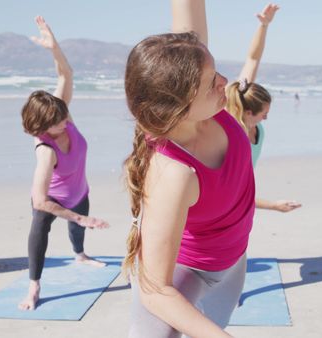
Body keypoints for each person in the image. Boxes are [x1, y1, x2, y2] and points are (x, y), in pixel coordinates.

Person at [122, 1, 254, 337]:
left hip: (233, 262)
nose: (224, 82)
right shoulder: (173, 173)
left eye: (216, 71)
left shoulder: (198, 95)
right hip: (191, 273)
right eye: (211, 82)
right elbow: (155, 289)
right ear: (178, 105)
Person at [18, 16, 109, 311]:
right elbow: (40, 199)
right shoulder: (46, 149)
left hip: (79, 191)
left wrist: (54, 48)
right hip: (54, 199)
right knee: (39, 232)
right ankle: (34, 286)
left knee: (77, 231)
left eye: (64, 114)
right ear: (43, 126)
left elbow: (66, 75)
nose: (66, 120)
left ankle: (80, 254)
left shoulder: (61, 114)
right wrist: (79, 217)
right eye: (58, 121)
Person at [225, 4, 301, 213]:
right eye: (264, 114)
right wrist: (274, 205)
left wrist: (264, 26)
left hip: (242, 208)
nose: (266, 119)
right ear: (248, 112)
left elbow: (253, 58)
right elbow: (232, 191)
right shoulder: (230, 132)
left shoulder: (245, 96)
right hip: (228, 212)